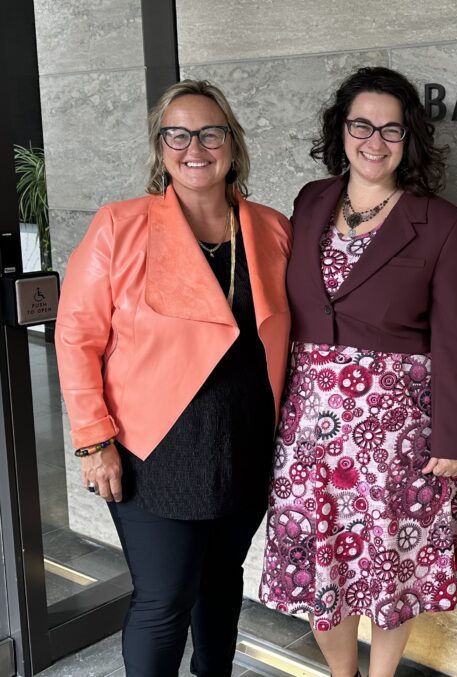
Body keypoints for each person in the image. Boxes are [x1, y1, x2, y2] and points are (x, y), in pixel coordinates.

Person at [55, 80, 291, 676]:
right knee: (164, 601)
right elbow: (77, 336)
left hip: (243, 443)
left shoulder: (269, 229)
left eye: (210, 133)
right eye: (177, 134)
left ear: (232, 144)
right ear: (160, 148)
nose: (195, 147)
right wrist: (93, 439)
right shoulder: (120, 226)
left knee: (221, 587)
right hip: (150, 447)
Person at [259, 66, 457, 677]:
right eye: (362, 124)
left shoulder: (444, 224)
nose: (374, 140)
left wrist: (454, 436)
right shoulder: (310, 200)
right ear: (342, 129)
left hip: (396, 430)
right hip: (309, 425)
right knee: (314, 559)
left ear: (409, 140)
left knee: (389, 566)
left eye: (391, 129)